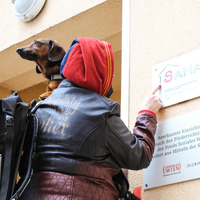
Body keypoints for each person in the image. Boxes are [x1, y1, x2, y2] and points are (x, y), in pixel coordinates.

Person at [18, 37, 163, 200]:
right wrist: (147, 113)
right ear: (98, 69)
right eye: (109, 71)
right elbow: (139, 156)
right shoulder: (101, 110)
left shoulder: (40, 108)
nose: (112, 77)